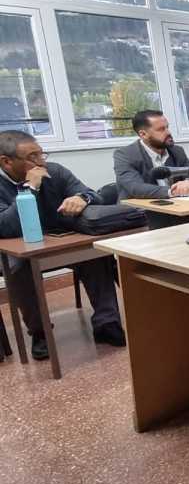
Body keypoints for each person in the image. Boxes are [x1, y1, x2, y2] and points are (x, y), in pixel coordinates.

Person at [0, 130, 125, 360]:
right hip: (16, 249)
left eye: (41, 154)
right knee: (19, 266)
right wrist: (30, 188)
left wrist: (82, 198)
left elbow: (92, 194)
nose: (40, 162)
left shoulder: (55, 171)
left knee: (95, 253)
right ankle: (40, 332)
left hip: (60, 240)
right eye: (32, 157)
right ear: (6, 162)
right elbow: (5, 227)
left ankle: (106, 322)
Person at [114, 110, 189, 200]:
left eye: (167, 127)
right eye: (161, 129)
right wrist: (173, 192)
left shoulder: (177, 151)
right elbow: (135, 188)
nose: (168, 132)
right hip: (139, 207)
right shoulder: (125, 155)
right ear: (143, 134)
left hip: (177, 205)